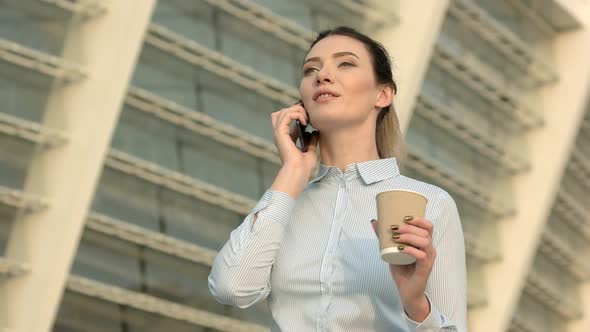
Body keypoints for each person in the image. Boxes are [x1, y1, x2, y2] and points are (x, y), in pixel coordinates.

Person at [208, 26, 467, 332]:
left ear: (383, 94)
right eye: (310, 70)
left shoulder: (430, 203)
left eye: (345, 63)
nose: (323, 75)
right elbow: (231, 289)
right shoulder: (284, 205)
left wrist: (415, 304)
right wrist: (293, 171)